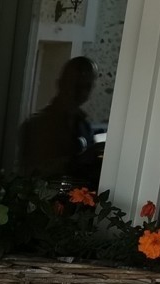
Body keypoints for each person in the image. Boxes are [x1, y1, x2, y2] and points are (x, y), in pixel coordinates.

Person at [19, 56, 103, 187]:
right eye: (75, 84)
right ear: (61, 83)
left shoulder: (84, 125)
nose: (80, 92)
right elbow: (32, 172)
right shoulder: (38, 124)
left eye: (86, 86)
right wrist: (78, 160)